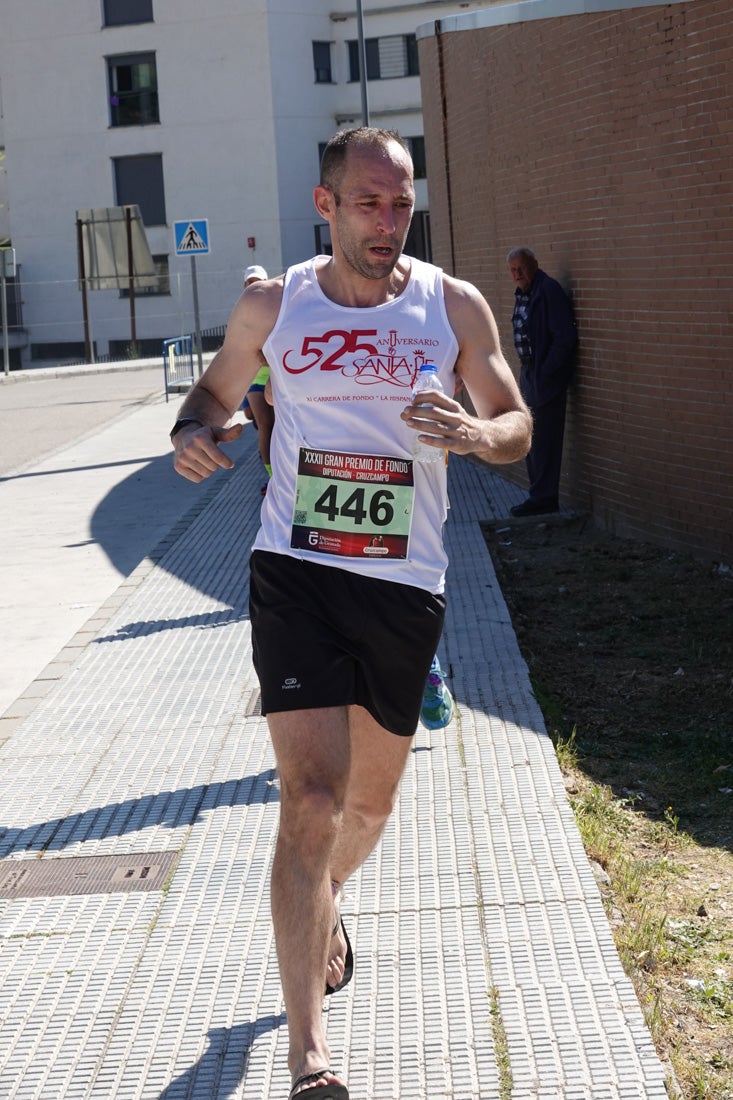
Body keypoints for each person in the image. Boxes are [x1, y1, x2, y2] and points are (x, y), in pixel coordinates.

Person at [170, 127, 531, 1100]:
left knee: (368, 805)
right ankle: (307, 1055)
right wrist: (199, 432)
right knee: (311, 802)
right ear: (324, 205)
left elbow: (515, 422)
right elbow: (210, 395)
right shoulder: (272, 302)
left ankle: (324, 906)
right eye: (367, 202)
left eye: (400, 202)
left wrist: (474, 430)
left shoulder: (450, 304)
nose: (387, 220)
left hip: (404, 583)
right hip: (295, 571)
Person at [506, 247, 577, 517]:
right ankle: (537, 495)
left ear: (535, 264)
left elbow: (564, 337)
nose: (517, 274)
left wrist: (546, 372)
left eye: (521, 267)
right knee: (531, 437)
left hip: (544, 377)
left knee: (544, 439)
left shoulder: (548, 290)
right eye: (513, 270)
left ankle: (544, 498)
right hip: (529, 374)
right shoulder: (524, 293)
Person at [239, 265, 275, 493]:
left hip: (276, 375)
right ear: (244, 286)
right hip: (255, 378)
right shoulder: (241, 313)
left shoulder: (276, 307)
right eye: (250, 282)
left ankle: (285, 472)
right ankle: (273, 478)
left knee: (283, 426)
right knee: (265, 425)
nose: (254, 285)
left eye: (258, 281)